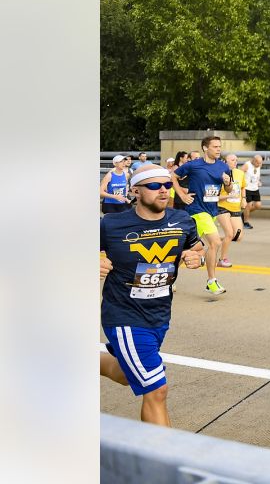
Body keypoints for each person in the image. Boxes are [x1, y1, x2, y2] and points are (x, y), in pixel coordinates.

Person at [100, 165, 205, 426]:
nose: (164, 191)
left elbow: (198, 247)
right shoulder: (111, 224)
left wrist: (197, 258)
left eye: (167, 185)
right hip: (124, 315)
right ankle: (163, 461)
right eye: (155, 186)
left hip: (159, 313)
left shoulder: (182, 220)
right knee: (156, 390)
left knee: (126, 374)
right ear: (135, 190)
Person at [172, 136, 233, 297]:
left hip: (212, 210)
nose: (218, 149)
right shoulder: (193, 165)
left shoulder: (223, 167)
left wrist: (227, 183)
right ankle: (211, 281)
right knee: (215, 242)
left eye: (220, 146)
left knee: (186, 248)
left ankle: (168, 278)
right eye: (215, 146)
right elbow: (173, 177)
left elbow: (229, 189)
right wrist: (182, 195)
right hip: (197, 210)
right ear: (206, 148)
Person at [214, 153, 246, 267]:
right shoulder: (218, 175)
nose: (235, 162)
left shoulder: (240, 173)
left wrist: (244, 199)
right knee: (229, 234)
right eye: (232, 160)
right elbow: (213, 196)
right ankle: (222, 259)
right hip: (222, 206)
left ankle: (214, 239)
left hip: (236, 207)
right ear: (225, 162)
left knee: (238, 236)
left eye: (236, 160)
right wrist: (228, 196)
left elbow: (243, 187)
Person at [241, 154, 263, 229]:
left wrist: (259, 181)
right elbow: (240, 173)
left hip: (255, 188)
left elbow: (256, 175)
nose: (259, 165)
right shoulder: (247, 165)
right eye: (258, 163)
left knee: (258, 205)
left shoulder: (259, 165)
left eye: (261, 163)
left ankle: (243, 215)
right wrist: (242, 182)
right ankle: (245, 222)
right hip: (247, 188)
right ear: (253, 160)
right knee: (248, 205)